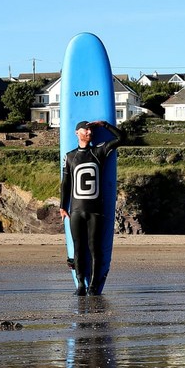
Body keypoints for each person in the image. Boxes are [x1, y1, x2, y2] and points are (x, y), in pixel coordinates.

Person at [59, 119, 125, 296]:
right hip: (76, 211)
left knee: (95, 247)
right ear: (76, 133)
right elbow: (65, 183)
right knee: (78, 248)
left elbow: (122, 138)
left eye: (90, 130)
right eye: (85, 130)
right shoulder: (70, 156)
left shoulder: (99, 151)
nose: (89, 133)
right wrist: (62, 206)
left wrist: (104, 125)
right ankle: (81, 284)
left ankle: (94, 286)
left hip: (96, 211)